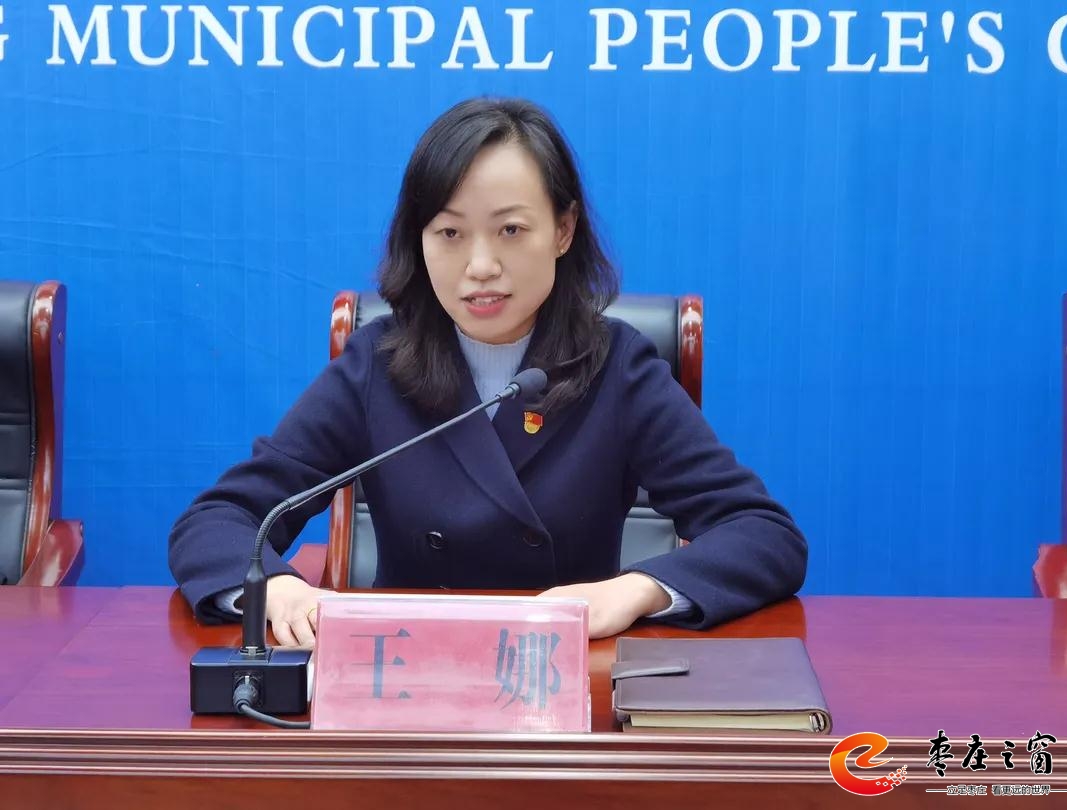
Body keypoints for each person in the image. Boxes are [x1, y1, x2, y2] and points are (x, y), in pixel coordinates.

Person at [168, 96, 807, 648]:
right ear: (419, 240)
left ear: (563, 230)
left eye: (510, 230)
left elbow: (763, 534)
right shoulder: (376, 364)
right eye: (450, 233)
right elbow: (219, 520)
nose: (480, 266)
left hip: (564, 688)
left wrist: (637, 589)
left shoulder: (618, 367)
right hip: (407, 684)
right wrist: (275, 587)